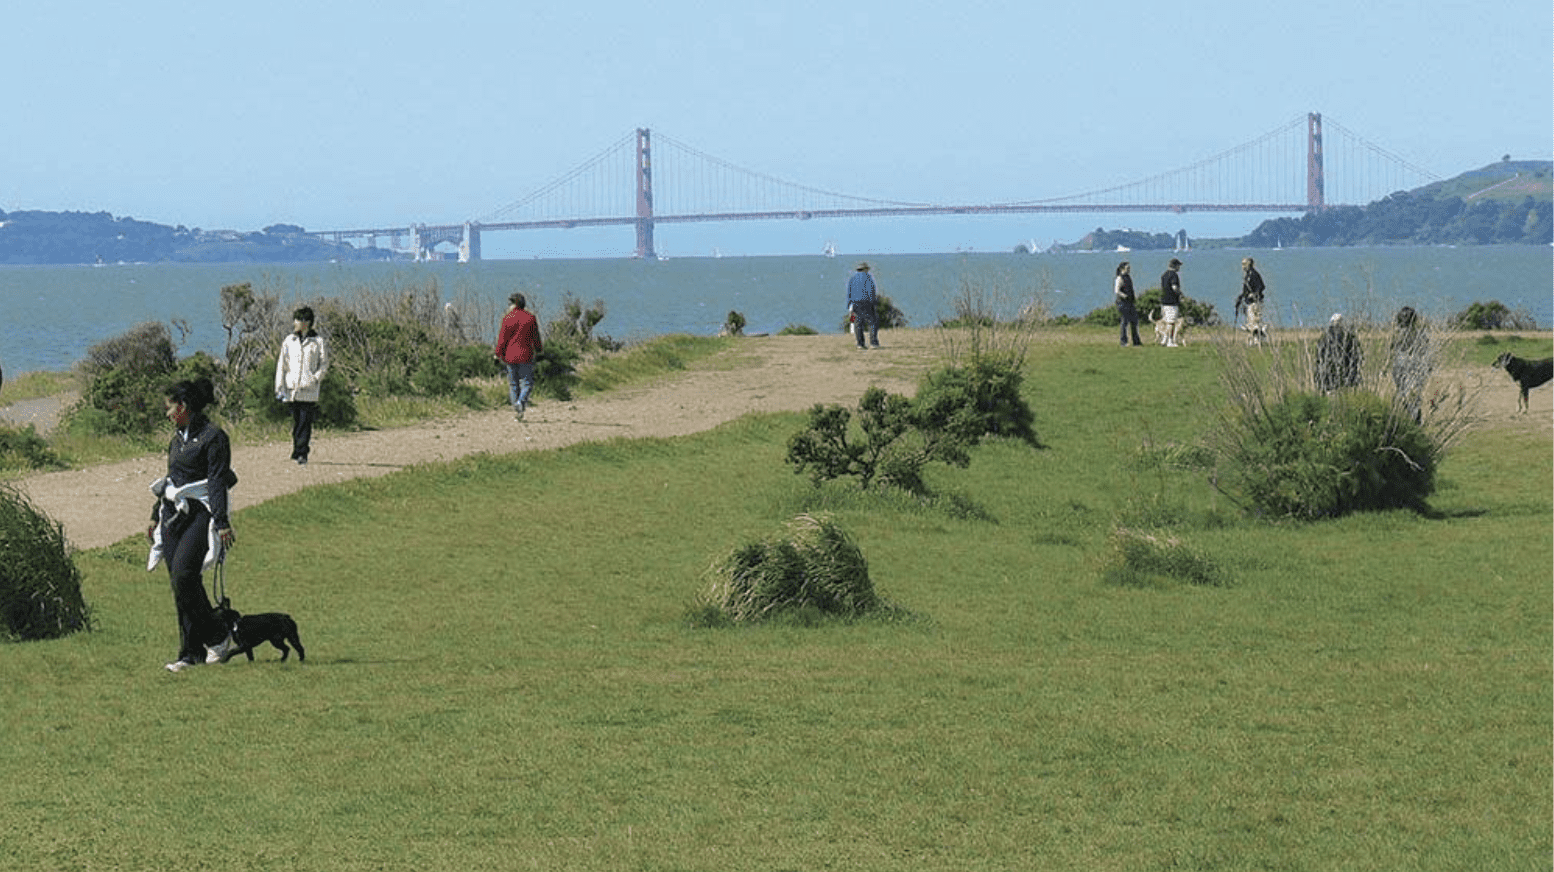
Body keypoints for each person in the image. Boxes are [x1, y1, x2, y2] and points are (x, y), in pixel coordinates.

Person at [146, 378, 237, 673]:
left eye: (169, 407)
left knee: (185, 575)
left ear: (183, 407)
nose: (167, 413)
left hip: (201, 514)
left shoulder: (214, 437)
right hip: (173, 514)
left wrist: (221, 522)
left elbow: (217, 481)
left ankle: (218, 635)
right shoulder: (177, 439)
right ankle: (190, 654)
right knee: (180, 584)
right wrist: (155, 515)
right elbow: (171, 479)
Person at [274, 306, 329, 465]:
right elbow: (282, 364)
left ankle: (302, 452)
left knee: (305, 421)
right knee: (297, 421)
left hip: (309, 389)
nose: (295, 323)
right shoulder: (289, 341)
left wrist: (315, 378)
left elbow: (324, 364)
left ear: (307, 322)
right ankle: (296, 449)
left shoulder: (318, 342)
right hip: (292, 389)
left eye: (298, 320)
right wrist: (279, 386)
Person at [493, 292, 543, 420]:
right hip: (525, 355)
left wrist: (497, 355)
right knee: (527, 383)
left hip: (509, 356)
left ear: (514, 304)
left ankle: (517, 408)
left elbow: (502, 339)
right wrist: (539, 350)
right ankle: (521, 403)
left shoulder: (507, 318)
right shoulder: (530, 318)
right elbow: (535, 336)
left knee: (513, 384)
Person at [1390, 306, 1430, 423]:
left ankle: (1411, 417)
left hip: (1402, 365)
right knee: (1412, 394)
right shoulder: (1419, 333)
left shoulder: (1398, 334)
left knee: (1405, 394)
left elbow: (1391, 349)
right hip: (1413, 365)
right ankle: (1414, 418)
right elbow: (1425, 349)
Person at [1315, 313, 1363, 392]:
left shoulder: (1325, 337)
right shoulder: (1348, 336)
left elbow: (1320, 357)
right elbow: (1355, 355)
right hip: (1345, 373)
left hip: (1329, 373)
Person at [846, 262, 880, 349]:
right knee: (872, 322)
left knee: (858, 324)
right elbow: (871, 291)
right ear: (865, 269)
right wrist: (873, 302)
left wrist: (849, 304)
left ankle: (860, 344)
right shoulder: (868, 278)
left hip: (856, 303)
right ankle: (873, 343)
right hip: (867, 302)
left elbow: (849, 292)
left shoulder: (852, 278)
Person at [1235, 257, 1268, 344]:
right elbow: (1246, 290)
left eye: (1244, 264)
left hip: (1255, 302)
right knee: (1252, 323)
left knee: (1254, 323)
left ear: (1249, 264)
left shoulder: (1254, 274)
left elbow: (1261, 286)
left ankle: (1257, 339)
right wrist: (1240, 297)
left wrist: (1254, 294)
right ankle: (1255, 340)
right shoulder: (1247, 275)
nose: (1242, 266)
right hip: (1250, 302)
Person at [1113, 261, 1142, 346]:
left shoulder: (1128, 277)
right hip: (1123, 303)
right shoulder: (1119, 278)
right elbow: (1117, 290)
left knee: (1134, 321)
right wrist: (1124, 296)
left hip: (1130, 302)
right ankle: (1124, 341)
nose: (1129, 269)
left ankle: (1136, 341)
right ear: (1122, 269)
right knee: (1124, 322)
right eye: (1127, 268)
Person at [1159, 258, 1184, 347]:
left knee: (1167, 321)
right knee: (1171, 323)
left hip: (1164, 301)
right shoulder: (1174, 275)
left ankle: (1164, 340)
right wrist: (1180, 294)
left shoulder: (1164, 275)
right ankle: (1170, 341)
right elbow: (1174, 287)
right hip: (1172, 302)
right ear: (1175, 266)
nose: (1179, 268)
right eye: (1178, 266)